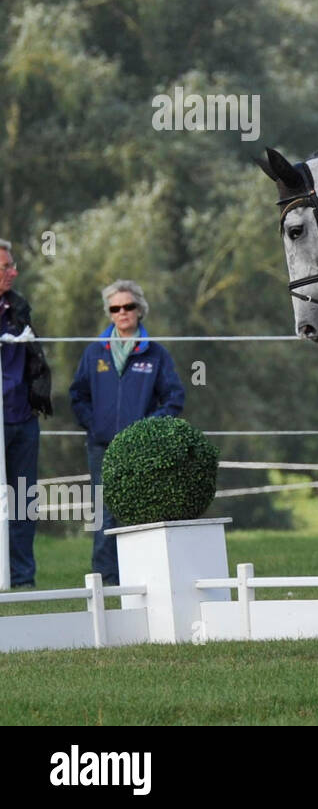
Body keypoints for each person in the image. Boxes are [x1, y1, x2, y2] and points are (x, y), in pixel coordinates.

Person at [68, 280, 184, 584]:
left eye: (128, 306)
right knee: (104, 512)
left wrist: (147, 430)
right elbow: (77, 395)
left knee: (140, 510)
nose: (123, 312)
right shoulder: (94, 353)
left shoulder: (156, 354)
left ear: (140, 310)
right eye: (115, 308)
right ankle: (105, 581)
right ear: (109, 313)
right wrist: (95, 426)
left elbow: (174, 399)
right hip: (101, 447)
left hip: (141, 449)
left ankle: (145, 578)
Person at [0, 239, 53, 588]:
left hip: (23, 418)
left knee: (22, 502)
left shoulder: (19, 306)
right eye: (6, 267)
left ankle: (22, 578)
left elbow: (35, 357)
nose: (14, 272)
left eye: (12, 266)